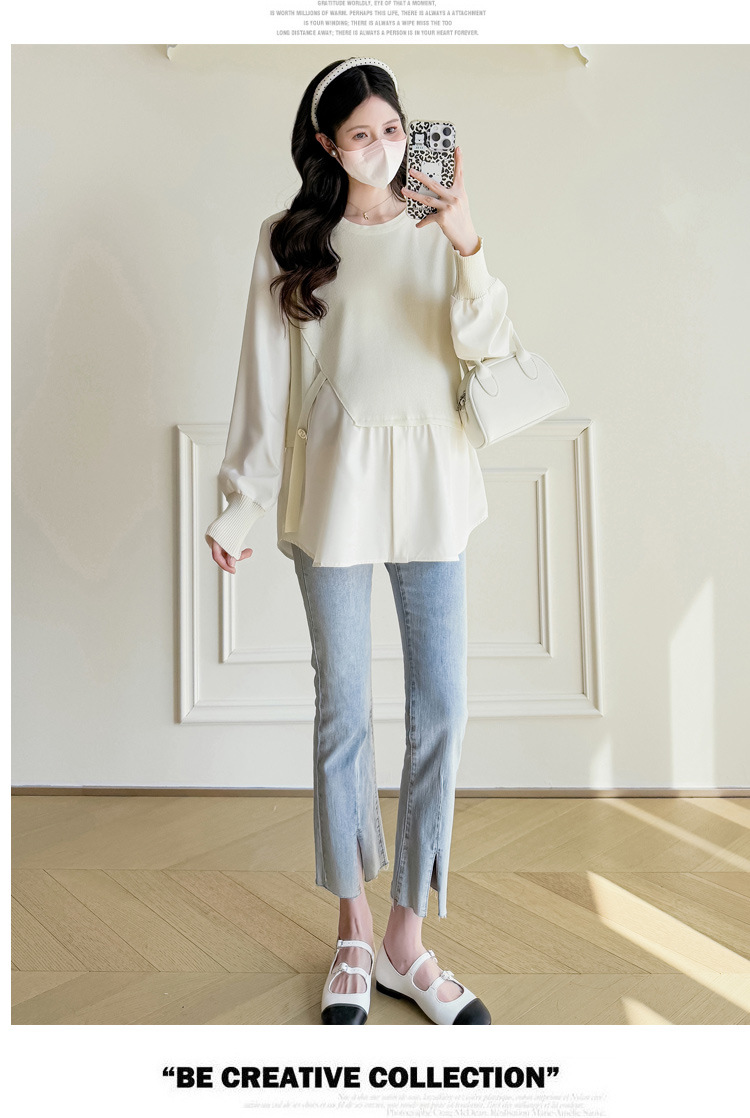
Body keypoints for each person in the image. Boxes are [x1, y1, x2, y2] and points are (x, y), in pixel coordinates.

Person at [205, 56, 521, 1025]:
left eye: (394, 129)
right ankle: (351, 930)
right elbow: (264, 382)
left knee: (443, 709)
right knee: (343, 711)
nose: (383, 147)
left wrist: (466, 239)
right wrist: (240, 503)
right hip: (334, 491)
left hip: (434, 487)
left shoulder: (439, 229)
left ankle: (405, 942)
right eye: (361, 134)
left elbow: (489, 346)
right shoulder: (290, 240)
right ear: (325, 144)